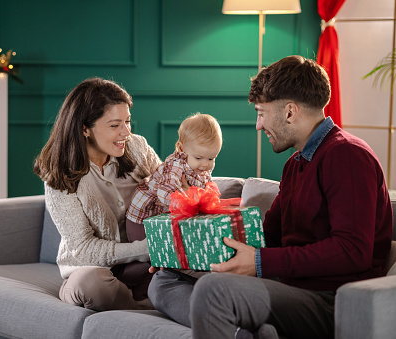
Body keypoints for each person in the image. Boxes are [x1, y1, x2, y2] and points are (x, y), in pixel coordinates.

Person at [147, 55, 393, 339]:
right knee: (164, 279)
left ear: (289, 112)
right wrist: (187, 253)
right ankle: (244, 332)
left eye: (261, 113)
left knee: (213, 290)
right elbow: (267, 237)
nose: (258, 125)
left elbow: (352, 251)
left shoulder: (346, 155)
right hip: (287, 286)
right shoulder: (296, 164)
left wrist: (261, 263)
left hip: (329, 299)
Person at [33, 77, 161, 311]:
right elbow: (83, 248)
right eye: (114, 125)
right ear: (85, 129)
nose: (126, 132)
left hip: (145, 266)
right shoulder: (58, 175)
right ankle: (146, 308)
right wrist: (143, 250)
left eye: (128, 121)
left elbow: (166, 188)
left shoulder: (137, 148)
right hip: (95, 270)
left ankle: (146, 300)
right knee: (90, 284)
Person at [126, 113, 223, 242]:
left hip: (162, 219)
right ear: (181, 148)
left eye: (211, 158)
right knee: (145, 251)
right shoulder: (175, 165)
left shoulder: (201, 167)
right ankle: (139, 263)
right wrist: (186, 202)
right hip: (143, 217)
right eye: (198, 158)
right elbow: (165, 191)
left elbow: (205, 190)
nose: (205, 164)